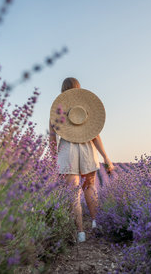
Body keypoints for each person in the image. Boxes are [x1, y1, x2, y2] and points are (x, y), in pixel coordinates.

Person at [49, 77, 115, 243]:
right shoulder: (87, 107)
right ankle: (95, 222)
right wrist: (106, 157)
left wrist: (52, 159)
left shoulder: (57, 108)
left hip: (67, 151)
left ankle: (80, 233)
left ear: (63, 90)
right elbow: (96, 136)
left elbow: (52, 136)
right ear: (79, 88)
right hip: (87, 150)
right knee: (90, 187)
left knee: (73, 192)